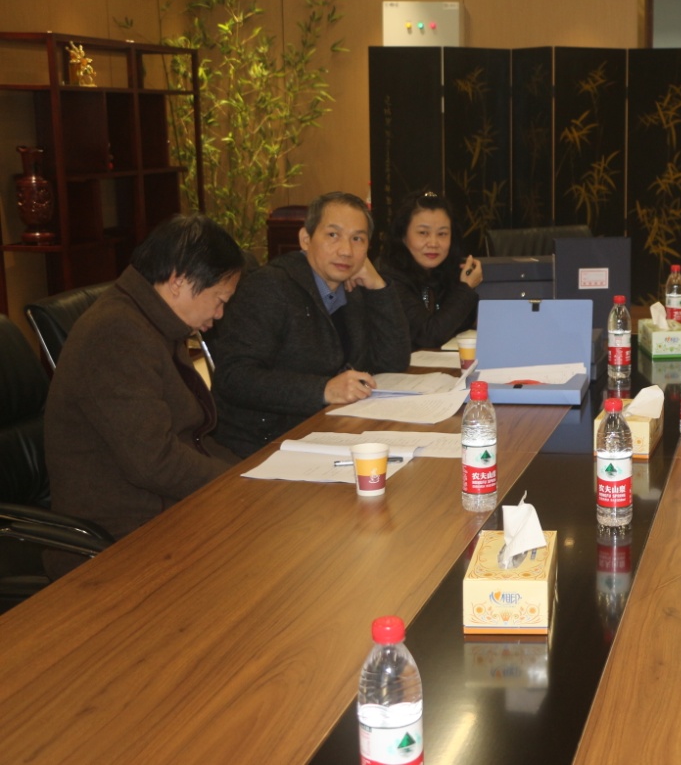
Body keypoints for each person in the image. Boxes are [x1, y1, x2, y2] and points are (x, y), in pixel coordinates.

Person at [44, 214, 245, 578]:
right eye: (219, 299)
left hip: (166, 510)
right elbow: (155, 462)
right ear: (179, 281)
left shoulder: (154, 320)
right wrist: (237, 482)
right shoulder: (116, 334)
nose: (220, 313)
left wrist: (248, 474)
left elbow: (192, 434)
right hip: (121, 538)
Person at [210, 191, 411, 457]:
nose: (346, 250)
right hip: (265, 443)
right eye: (333, 235)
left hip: (330, 430)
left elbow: (393, 361)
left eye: (357, 239)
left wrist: (378, 286)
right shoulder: (269, 287)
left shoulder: (353, 288)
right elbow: (234, 377)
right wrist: (323, 390)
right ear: (305, 239)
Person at [380, 191, 481, 349]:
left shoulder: (447, 270)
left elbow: (460, 326)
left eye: (442, 234)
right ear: (403, 236)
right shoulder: (388, 279)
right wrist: (466, 289)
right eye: (423, 233)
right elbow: (428, 335)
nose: (433, 243)